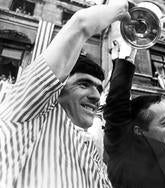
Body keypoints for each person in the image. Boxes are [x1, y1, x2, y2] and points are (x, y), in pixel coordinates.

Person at [0, 1, 130, 187]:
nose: (95, 96)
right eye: (84, 84)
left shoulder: (93, 154)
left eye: (99, 88)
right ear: (56, 86)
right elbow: (81, 24)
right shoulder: (26, 113)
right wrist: (118, 7)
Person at [103, 23, 165, 188]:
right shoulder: (128, 162)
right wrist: (126, 59)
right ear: (138, 131)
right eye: (164, 122)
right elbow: (116, 112)